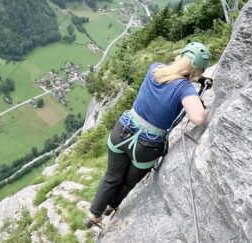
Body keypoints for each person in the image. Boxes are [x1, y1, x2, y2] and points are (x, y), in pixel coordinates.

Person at [85, 42, 211, 228]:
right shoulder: (185, 89)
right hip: (147, 146)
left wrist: (195, 79)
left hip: (123, 131)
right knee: (128, 182)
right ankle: (111, 207)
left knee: (112, 175)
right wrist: (204, 107)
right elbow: (198, 118)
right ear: (197, 71)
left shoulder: (155, 69)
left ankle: (93, 215)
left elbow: (173, 76)